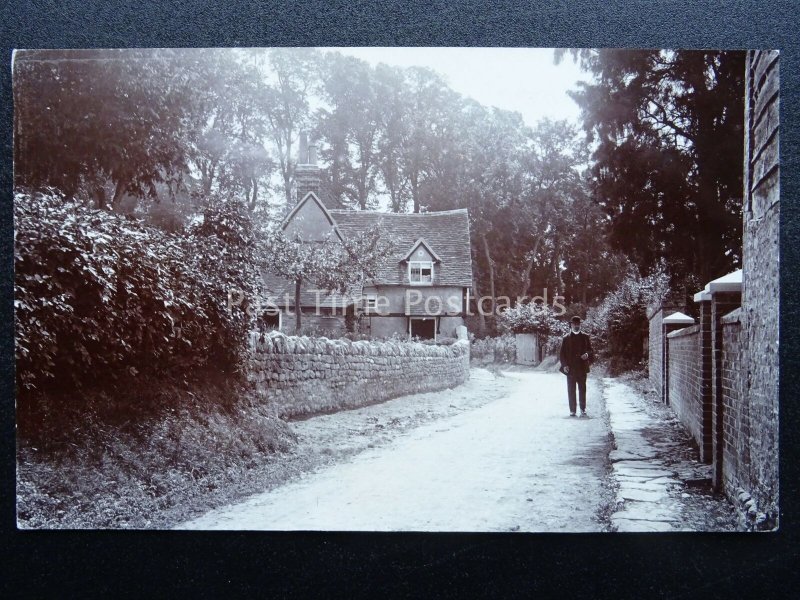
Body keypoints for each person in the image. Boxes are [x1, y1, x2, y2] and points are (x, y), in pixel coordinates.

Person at [559, 316, 594, 417]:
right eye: (574, 324)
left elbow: (591, 350)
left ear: (580, 325)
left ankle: (583, 409)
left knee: (582, 389)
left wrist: (587, 354)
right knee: (571, 390)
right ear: (571, 325)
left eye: (578, 324)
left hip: (582, 368)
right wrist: (564, 365)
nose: (576, 326)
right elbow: (562, 354)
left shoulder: (585, 337)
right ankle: (572, 410)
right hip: (570, 369)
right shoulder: (566, 338)